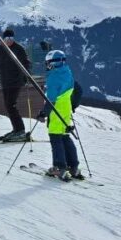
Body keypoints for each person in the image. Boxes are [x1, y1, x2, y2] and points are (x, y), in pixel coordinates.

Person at [35, 50, 82, 181]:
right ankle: (74, 167)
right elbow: (75, 90)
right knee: (65, 136)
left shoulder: (53, 77)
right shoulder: (67, 72)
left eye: (48, 63)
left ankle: (59, 167)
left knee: (55, 138)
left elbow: (51, 100)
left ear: (54, 63)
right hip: (66, 108)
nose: (47, 65)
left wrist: (43, 113)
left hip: (56, 110)